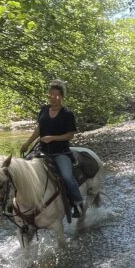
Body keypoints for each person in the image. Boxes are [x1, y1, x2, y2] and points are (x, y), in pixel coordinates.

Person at [20, 80, 86, 221]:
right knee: (22, 170)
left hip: (60, 152)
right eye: (51, 95)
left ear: (62, 97)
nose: (53, 98)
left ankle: (79, 203)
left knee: (67, 177)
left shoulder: (67, 114)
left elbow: (70, 135)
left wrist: (53, 138)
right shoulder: (44, 110)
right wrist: (27, 143)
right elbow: (39, 129)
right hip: (42, 151)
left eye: (57, 95)